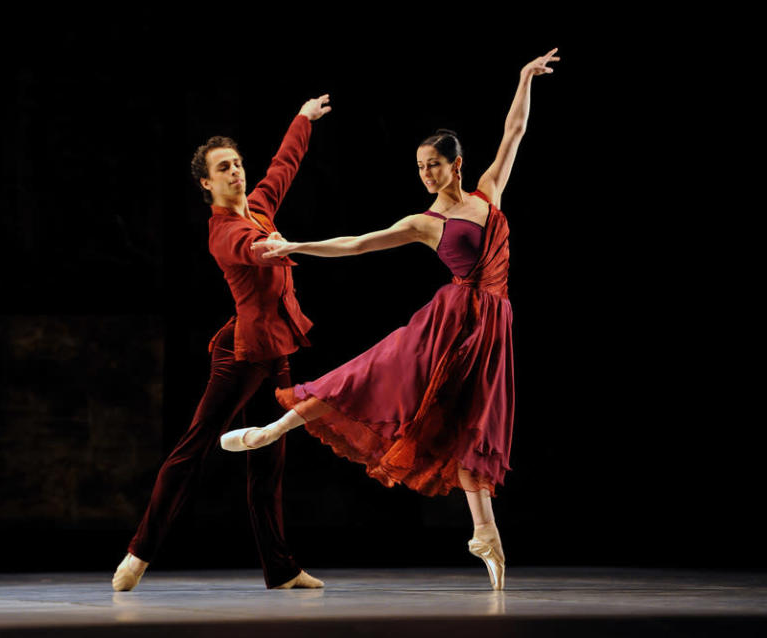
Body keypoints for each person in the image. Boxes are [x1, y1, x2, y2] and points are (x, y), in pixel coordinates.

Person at [221, 50, 560, 591]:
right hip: (446, 326)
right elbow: (357, 244)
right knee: (372, 378)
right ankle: (275, 427)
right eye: (420, 166)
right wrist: (297, 245)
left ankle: (485, 536)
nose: (426, 173)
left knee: (474, 423)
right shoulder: (425, 223)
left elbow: (515, 129)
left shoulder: (489, 193)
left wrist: (524, 79)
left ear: (456, 163)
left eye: (434, 164)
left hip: (492, 330)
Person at [112, 95, 332, 592]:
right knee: (194, 449)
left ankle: (281, 569)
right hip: (242, 353)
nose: (235, 171)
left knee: (269, 457)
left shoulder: (258, 207)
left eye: (236, 163)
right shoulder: (223, 231)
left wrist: (301, 118)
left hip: (276, 349)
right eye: (223, 168)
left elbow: (284, 166)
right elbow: (246, 250)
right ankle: (138, 554)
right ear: (206, 183)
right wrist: (268, 249)